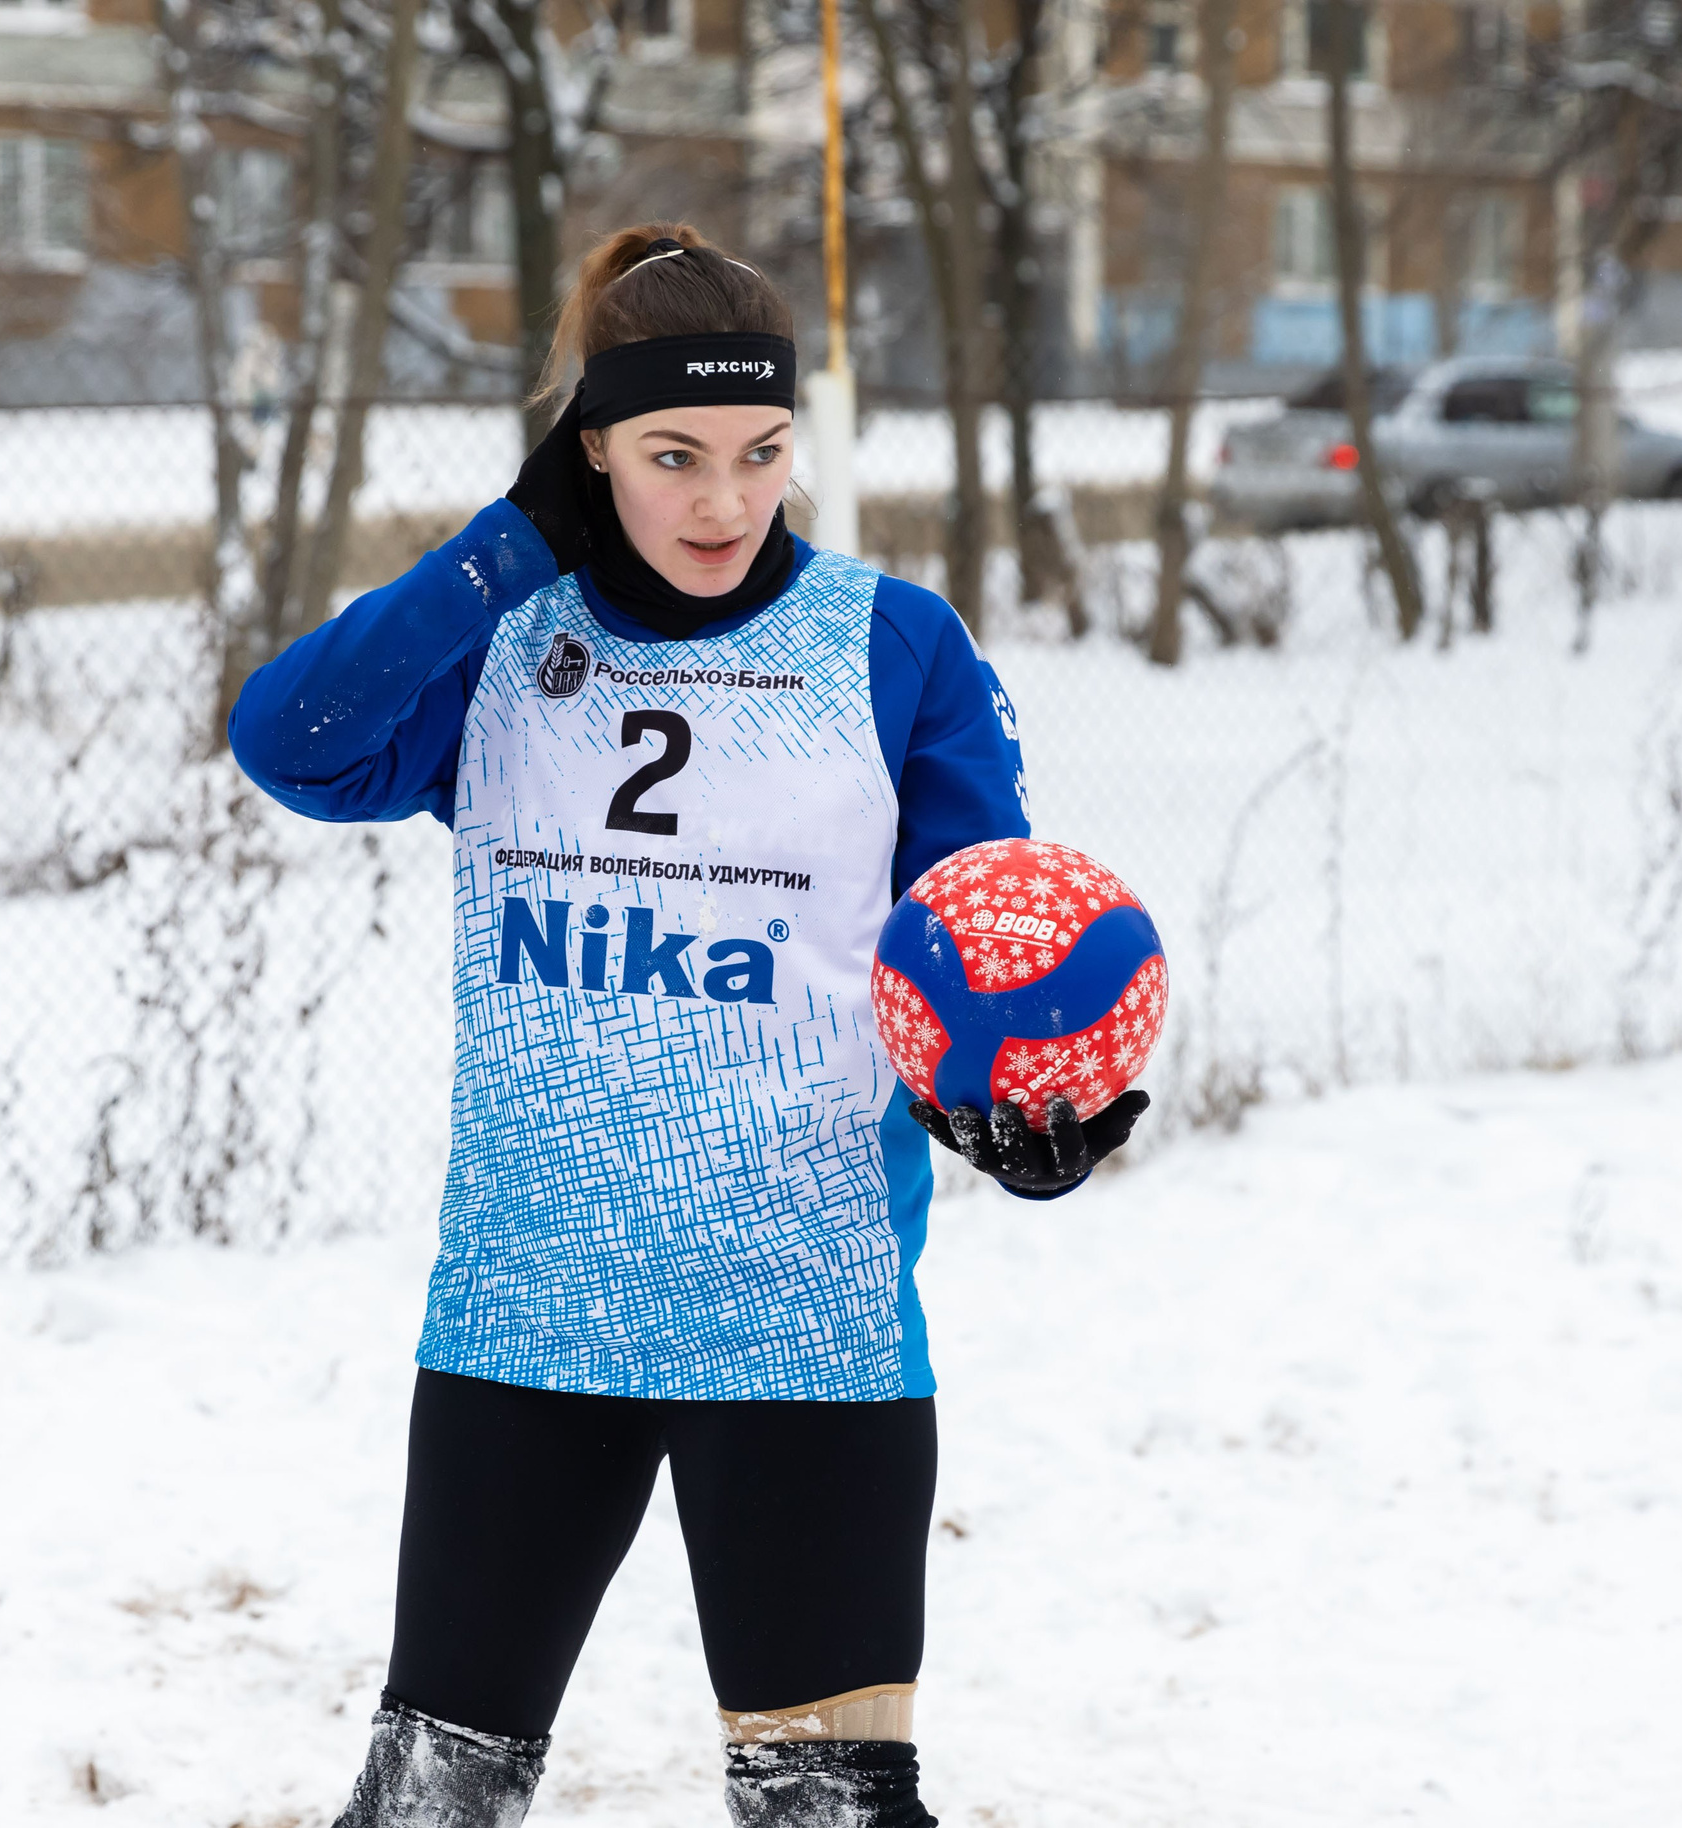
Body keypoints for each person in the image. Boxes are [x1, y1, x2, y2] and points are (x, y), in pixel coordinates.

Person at [229, 221, 1148, 1828]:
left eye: (762, 453)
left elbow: (973, 957)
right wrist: (502, 554)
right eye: (672, 456)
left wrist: (1029, 1125)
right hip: (529, 1318)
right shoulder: (504, 638)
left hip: (803, 1329)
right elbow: (289, 745)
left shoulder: (889, 647)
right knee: (427, 1807)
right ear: (588, 454)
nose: (727, 502)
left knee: (829, 1816)